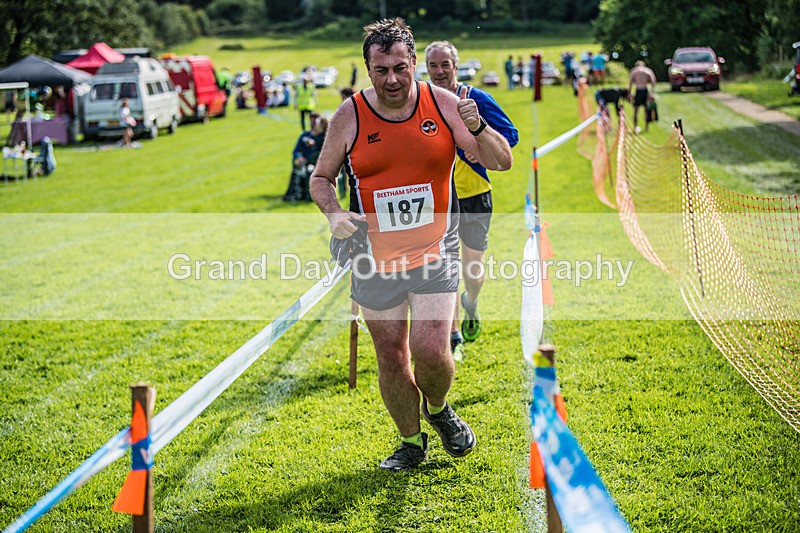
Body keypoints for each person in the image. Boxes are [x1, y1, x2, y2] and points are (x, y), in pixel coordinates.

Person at [309, 18, 513, 471]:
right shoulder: (350, 115)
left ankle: (437, 409)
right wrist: (335, 213)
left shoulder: (443, 104)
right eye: (381, 71)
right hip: (373, 259)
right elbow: (321, 177)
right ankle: (410, 442)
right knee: (390, 355)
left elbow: (501, 162)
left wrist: (477, 128)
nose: (392, 80)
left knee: (431, 349)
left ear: (415, 64)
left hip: (434, 250)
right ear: (368, 69)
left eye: (400, 68)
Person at [425, 40, 519, 362]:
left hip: (476, 193)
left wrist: (478, 141)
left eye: (445, 65)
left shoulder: (475, 98)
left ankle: (472, 302)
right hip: (439, 198)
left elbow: (511, 135)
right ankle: (453, 337)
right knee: (447, 266)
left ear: (455, 65)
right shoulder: (425, 101)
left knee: (472, 267)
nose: (439, 72)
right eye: (433, 66)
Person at [283, 113, 326, 202]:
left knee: (309, 169)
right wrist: (299, 157)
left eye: (315, 120)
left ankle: (308, 195)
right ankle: (295, 193)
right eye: (311, 119)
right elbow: (295, 151)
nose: (313, 122)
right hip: (303, 161)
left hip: (314, 163)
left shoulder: (322, 137)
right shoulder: (304, 135)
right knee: (297, 169)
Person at [628, 60, 656, 133]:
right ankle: (646, 127)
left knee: (636, 110)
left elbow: (631, 82)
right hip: (645, 90)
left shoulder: (634, 71)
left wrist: (630, 93)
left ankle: (635, 127)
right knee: (646, 110)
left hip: (638, 90)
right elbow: (653, 80)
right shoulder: (647, 70)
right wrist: (651, 92)